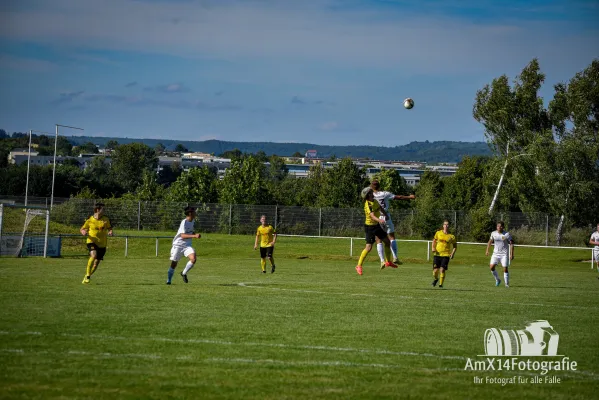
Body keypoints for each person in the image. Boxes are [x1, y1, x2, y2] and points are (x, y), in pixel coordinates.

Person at [370, 179, 415, 266]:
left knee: (378, 239)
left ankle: (382, 261)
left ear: (371, 187)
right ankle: (395, 257)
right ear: (379, 186)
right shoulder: (385, 193)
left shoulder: (370, 195)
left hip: (376, 217)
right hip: (386, 216)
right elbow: (399, 197)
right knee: (391, 237)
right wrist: (410, 197)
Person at [355, 187, 398, 275]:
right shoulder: (368, 204)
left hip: (376, 225)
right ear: (368, 195)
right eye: (371, 192)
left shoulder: (374, 201)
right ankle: (358, 266)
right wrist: (380, 220)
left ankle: (388, 262)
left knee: (387, 242)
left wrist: (385, 215)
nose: (373, 193)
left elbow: (380, 208)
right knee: (369, 247)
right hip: (370, 227)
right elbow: (372, 216)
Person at [166, 206, 201, 284]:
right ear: (190, 213)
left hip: (187, 245)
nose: (195, 212)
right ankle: (168, 280)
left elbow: (190, 231)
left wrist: (195, 234)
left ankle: (183, 273)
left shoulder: (192, 221)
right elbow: (182, 235)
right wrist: (194, 236)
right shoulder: (184, 222)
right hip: (178, 245)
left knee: (193, 259)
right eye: (194, 211)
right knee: (174, 263)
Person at [80, 203, 113, 284]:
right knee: (93, 255)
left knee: (96, 264)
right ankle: (87, 276)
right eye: (103, 209)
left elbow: (110, 228)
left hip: (102, 243)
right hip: (92, 241)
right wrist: (83, 231)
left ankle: (88, 275)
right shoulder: (89, 219)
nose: (104, 210)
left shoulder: (106, 219)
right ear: (98, 210)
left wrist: (110, 232)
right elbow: (82, 228)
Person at [485, 221, 514, 288]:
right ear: (496, 227)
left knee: (505, 268)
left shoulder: (506, 234)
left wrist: (511, 254)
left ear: (503, 227)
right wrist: (487, 250)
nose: (499, 227)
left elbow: (511, 244)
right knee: (491, 267)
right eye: (498, 226)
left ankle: (507, 284)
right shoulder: (493, 233)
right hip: (495, 254)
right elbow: (490, 241)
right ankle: (498, 280)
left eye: (501, 226)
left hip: (504, 254)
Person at [431, 220, 457, 288]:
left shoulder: (451, 236)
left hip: (446, 255)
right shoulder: (438, 233)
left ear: (449, 226)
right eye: (445, 224)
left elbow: (455, 246)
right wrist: (433, 248)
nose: (446, 226)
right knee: (435, 271)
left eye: (447, 224)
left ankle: (440, 285)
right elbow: (434, 241)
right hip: (437, 254)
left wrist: (452, 254)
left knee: (442, 269)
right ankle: (436, 279)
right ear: (443, 226)